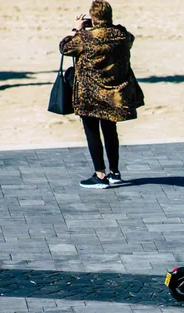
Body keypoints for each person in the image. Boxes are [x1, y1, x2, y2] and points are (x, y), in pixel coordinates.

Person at [59, 0, 144, 189]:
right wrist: (110, 25)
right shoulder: (121, 35)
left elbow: (64, 48)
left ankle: (100, 175)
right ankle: (115, 172)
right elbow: (130, 37)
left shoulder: (85, 38)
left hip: (90, 96)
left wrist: (77, 29)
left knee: (92, 133)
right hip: (113, 95)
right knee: (110, 132)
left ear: (93, 18)